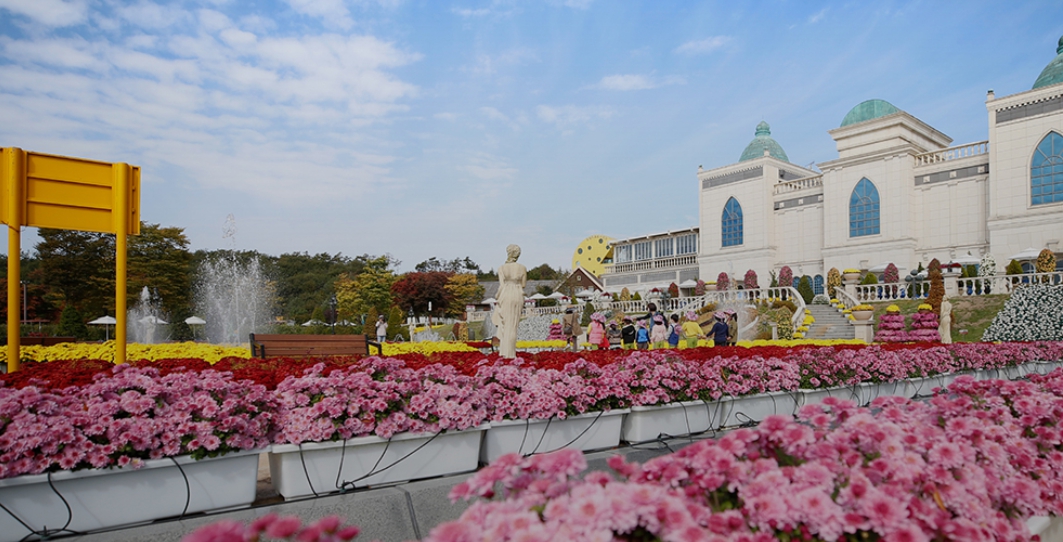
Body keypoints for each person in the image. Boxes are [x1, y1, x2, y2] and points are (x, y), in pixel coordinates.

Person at [492, 244, 527, 358]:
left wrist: (497, 297)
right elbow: (523, 285)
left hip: (505, 294)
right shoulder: (522, 268)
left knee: (505, 325)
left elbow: (501, 286)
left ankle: (504, 353)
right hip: (517, 293)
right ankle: (510, 354)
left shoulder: (501, 268)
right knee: (513, 326)